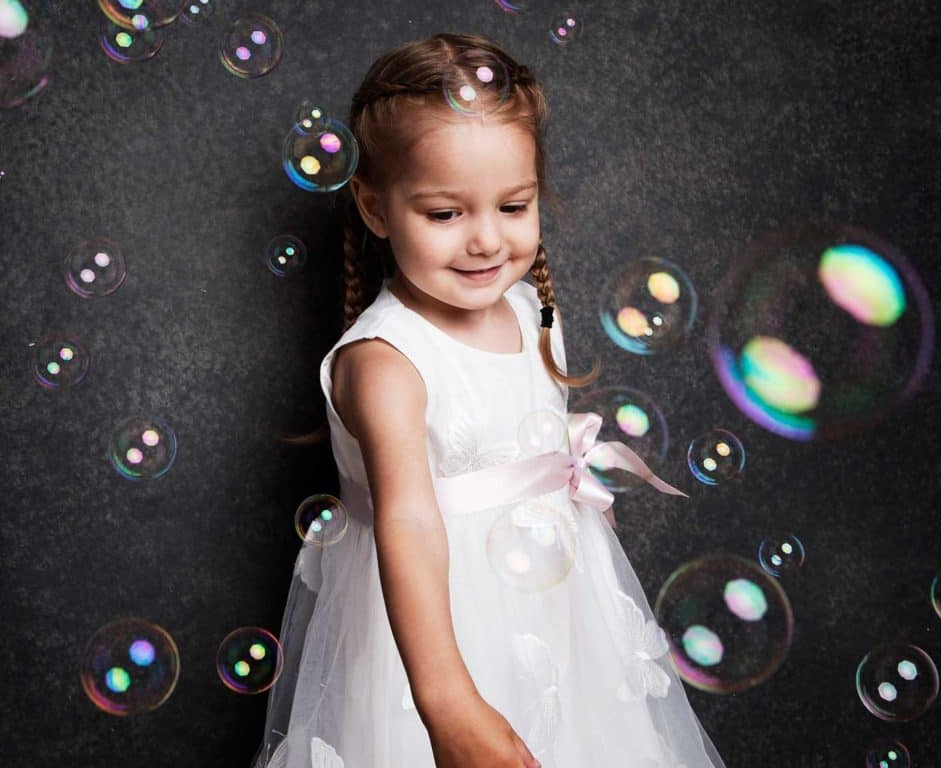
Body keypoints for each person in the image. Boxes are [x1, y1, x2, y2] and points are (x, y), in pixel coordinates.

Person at [251, 32, 727, 768]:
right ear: (376, 208)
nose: (485, 241)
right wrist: (448, 703)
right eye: (445, 214)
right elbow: (409, 518)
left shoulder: (530, 311)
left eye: (512, 206)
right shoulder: (386, 360)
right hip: (437, 642)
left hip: (557, 615)